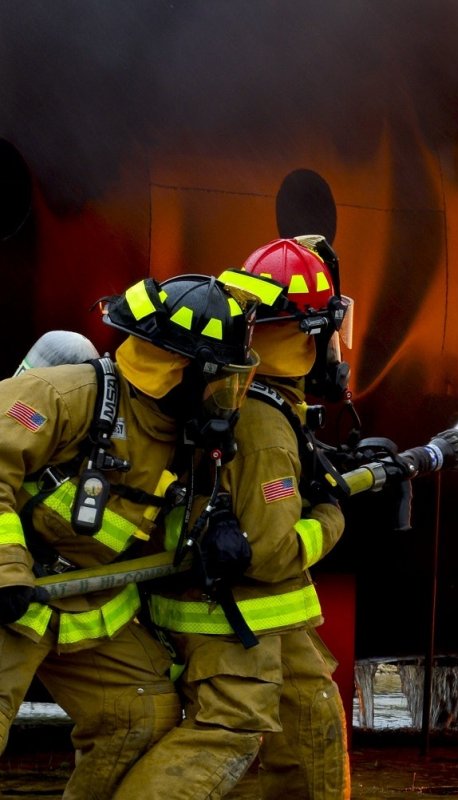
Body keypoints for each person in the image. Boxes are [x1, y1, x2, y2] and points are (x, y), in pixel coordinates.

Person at [0, 274, 258, 798]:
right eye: (221, 380)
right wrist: (6, 570)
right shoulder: (63, 395)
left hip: (83, 600)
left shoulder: (182, 434)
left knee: (139, 714)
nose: (228, 398)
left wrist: (215, 530)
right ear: (180, 371)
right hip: (10, 597)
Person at [116, 236, 352, 799]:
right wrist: (332, 515)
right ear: (312, 334)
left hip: (253, 616)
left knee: (310, 715)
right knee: (228, 734)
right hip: (234, 615)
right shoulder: (266, 426)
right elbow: (271, 552)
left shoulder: (240, 394)